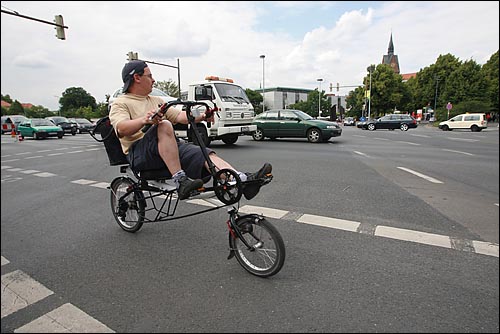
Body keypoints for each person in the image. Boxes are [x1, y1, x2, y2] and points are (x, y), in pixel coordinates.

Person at [109, 60, 271, 200]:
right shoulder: (121, 102)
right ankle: (181, 181)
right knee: (164, 125)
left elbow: (180, 116)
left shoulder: (156, 100)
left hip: (165, 148)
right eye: (149, 76)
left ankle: (241, 180)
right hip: (140, 153)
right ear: (136, 78)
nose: (154, 80)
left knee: (205, 154)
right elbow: (121, 129)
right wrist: (145, 119)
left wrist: (201, 117)